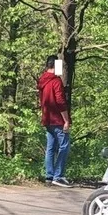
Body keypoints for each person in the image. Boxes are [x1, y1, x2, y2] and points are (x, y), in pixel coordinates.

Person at [38, 55, 72, 187]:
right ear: (56, 66)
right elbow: (60, 101)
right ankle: (58, 176)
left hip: (47, 118)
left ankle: (49, 176)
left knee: (50, 148)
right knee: (64, 146)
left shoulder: (42, 81)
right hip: (57, 119)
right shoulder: (56, 81)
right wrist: (66, 120)